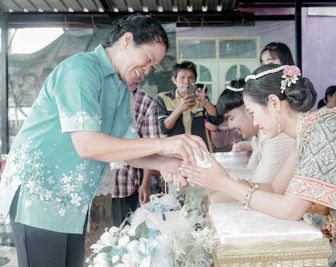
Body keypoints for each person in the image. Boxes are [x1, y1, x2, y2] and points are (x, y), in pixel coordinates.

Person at [0, 15, 206, 267]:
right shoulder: (80, 70)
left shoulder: (120, 88)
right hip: (38, 196)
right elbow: (88, 145)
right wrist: (163, 144)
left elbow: (124, 148)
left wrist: (165, 163)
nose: (148, 70)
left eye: (153, 66)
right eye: (148, 60)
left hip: (72, 204)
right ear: (127, 41)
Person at [181, 64, 336, 266]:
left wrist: (226, 185)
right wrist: (219, 181)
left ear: (274, 103)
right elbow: (275, 188)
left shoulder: (324, 128)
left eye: (252, 112)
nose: (254, 121)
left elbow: (290, 209)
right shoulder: (307, 133)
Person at [215, 79, 295, 184]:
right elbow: (251, 171)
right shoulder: (259, 134)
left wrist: (217, 175)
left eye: (231, 118)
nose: (230, 126)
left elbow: (261, 183)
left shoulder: (276, 134)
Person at [112, 84, 161, 227]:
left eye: (148, 66)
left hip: (125, 184)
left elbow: (150, 147)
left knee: (125, 233)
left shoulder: (146, 102)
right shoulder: (100, 92)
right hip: (96, 187)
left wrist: (145, 183)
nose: (142, 71)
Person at [156, 61, 219, 151]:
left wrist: (204, 101)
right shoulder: (163, 98)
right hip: (174, 151)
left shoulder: (199, 97)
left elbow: (215, 119)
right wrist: (179, 109)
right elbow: (163, 128)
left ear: (194, 81)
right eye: (182, 77)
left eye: (190, 78)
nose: (186, 81)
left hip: (199, 150)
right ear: (174, 80)